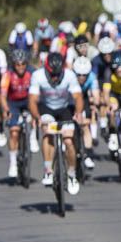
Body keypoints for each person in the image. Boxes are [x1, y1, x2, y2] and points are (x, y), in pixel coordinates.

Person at [29, 52, 84, 195]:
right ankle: (48, 169)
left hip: (65, 108)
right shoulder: (38, 76)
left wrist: (78, 113)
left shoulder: (69, 75)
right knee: (48, 133)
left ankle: (72, 174)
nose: (54, 78)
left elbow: (77, 97)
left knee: (68, 140)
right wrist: (37, 117)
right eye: (52, 75)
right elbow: (33, 100)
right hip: (46, 108)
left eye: (57, 75)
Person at [1, 49, 35, 177]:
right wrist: (6, 110)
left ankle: (32, 137)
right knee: (14, 132)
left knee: (34, 115)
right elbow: (3, 96)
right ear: (13, 64)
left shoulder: (32, 72)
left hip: (28, 101)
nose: (20, 67)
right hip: (13, 103)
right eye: (17, 64)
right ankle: (13, 163)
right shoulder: (7, 75)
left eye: (23, 64)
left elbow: (39, 92)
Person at [71, 55, 99, 171]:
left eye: (84, 75)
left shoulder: (92, 77)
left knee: (85, 125)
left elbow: (96, 96)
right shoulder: (70, 77)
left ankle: (88, 154)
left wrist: (95, 103)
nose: (82, 77)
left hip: (84, 98)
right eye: (79, 75)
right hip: (71, 98)